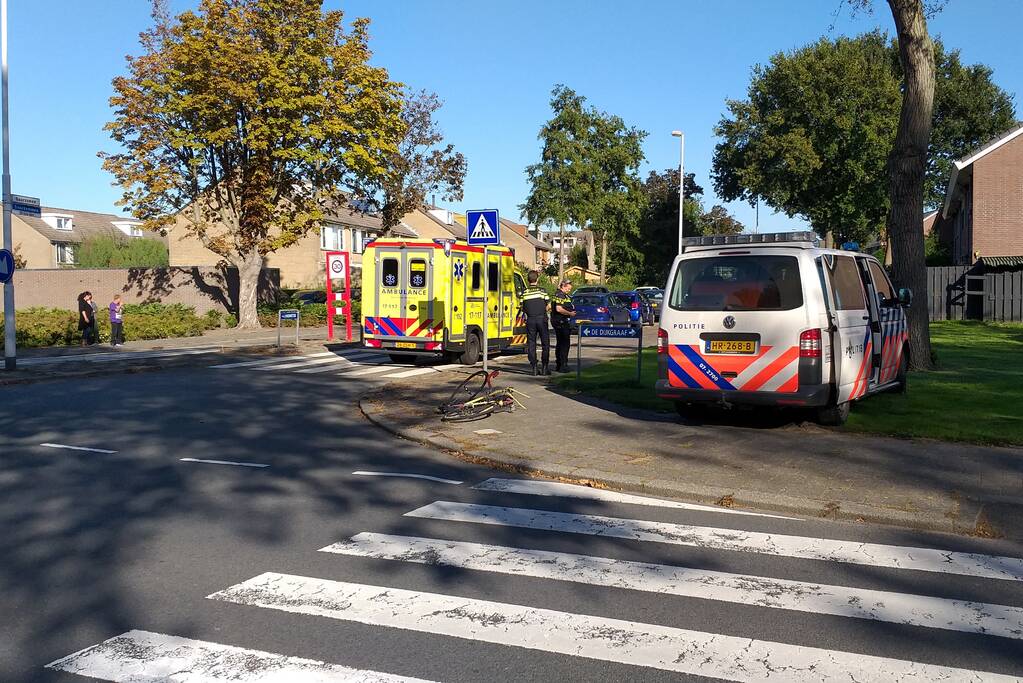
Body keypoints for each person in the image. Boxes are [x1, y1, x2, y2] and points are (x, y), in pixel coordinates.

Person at [521, 270, 550, 376]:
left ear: (528, 280)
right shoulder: (542, 291)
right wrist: (543, 311)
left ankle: (534, 368)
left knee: (531, 344)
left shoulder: (524, 292)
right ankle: (544, 368)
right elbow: (549, 305)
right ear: (537, 279)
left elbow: (522, 307)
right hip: (542, 319)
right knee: (545, 344)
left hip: (530, 320)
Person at [550, 279, 576, 372]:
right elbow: (559, 309)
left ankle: (560, 364)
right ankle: (563, 365)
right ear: (563, 286)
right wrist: (570, 313)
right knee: (564, 344)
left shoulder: (560, 294)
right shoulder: (560, 295)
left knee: (560, 343)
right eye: (568, 289)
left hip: (560, 321)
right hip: (561, 322)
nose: (569, 290)